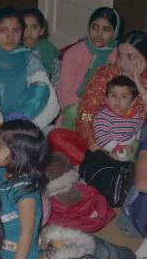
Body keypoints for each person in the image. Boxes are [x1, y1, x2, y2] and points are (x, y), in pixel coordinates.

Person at [51, 31, 147, 165]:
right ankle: (105, 165)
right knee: (58, 134)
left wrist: (140, 87)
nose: (122, 63)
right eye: (119, 56)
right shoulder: (105, 74)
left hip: (131, 144)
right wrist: (95, 146)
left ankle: (107, 167)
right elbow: (86, 114)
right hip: (99, 136)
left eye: (130, 57)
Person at [0, 7, 59, 129]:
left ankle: (13, 129)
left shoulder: (29, 60)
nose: (10, 36)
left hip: (21, 125)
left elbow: (53, 105)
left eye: (16, 30)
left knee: (41, 88)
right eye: (3, 30)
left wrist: (29, 126)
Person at [0, 120, 48, 259]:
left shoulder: (25, 193)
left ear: (18, 155)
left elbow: (27, 232)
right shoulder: (0, 171)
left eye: (0, 145)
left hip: (14, 253)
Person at [55, 7, 121, 129]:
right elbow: (65, 90)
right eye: (94, 27)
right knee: (75, 116)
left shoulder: (118, 57)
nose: (99, 34)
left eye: (106, 29)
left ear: (115, 32)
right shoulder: (74, 53)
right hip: (75, 109)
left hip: (107, 113)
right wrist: (85, 110)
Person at [93, 76, 143, 161]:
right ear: (107, 99)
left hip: (131, 146)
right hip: (111, 150)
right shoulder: (104, 116)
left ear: (132, 102)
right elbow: (102, 137)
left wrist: (140, 140)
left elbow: (139, 130)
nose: (117, 100)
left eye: (123, 96)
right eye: (113, 95)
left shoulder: (136, 115)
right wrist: (118, 149)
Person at [21, 7, 60, 84]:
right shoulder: (15, 49)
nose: (29, 32)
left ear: (41, 30)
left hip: (44, 87)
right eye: (24, 27)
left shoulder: (47, 48)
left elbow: (56, 71)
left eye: (34, 28)